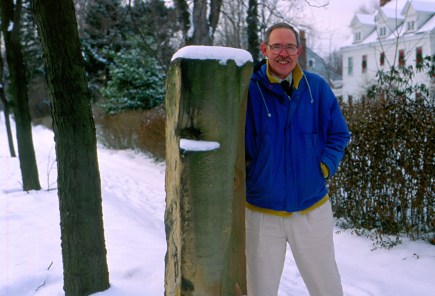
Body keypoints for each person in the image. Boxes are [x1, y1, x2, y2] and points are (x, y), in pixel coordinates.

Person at [245, 22, 351, 296]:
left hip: (311, 209)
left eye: (290, 46)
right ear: (264, 49)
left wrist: (324, 167)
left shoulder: (317, 88)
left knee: (327, 287)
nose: (283, 53)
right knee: (259, 289)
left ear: (299, 50)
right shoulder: (249, 92)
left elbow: (339, 134)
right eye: (276, 46)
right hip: (261, 212)